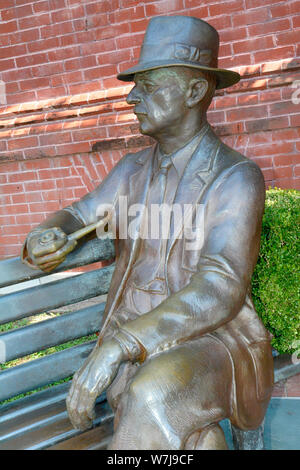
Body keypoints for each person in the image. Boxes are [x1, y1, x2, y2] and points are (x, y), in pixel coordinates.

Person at [22, 16, 274, 450]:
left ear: (195, 92)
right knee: (193, 435)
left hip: (210, 339)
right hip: (134, 333)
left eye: (150, 85)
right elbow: (78, 213)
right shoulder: (130, 171)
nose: (132, 96)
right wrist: (48, 234)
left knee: (151, 393)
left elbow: (220, 287)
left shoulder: (236, 178)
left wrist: (120, 346)